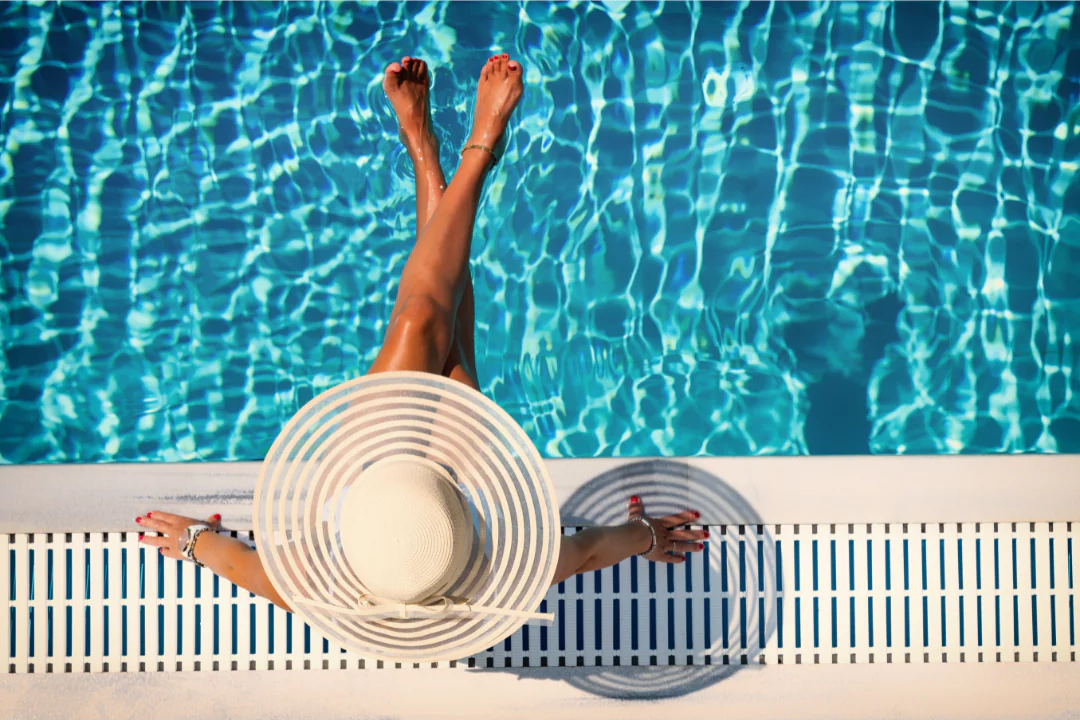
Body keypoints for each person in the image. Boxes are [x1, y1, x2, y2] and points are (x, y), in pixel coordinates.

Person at [134, 55, 707, 614]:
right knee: (444, 330)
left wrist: (194, 543)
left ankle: (436, 153)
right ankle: (468, 153)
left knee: (422, 318)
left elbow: (251, 571)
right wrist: (648, 536)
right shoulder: (498, 577)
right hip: (459, 494)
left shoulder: (320, 580)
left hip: (372, 477)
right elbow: (586, 552)